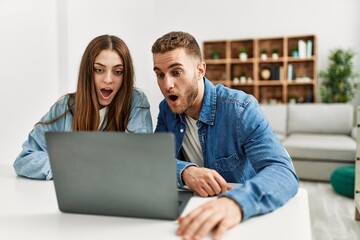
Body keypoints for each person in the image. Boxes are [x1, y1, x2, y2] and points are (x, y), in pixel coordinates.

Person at [151, 31, 298, 240]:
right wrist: (185, 172)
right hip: (193, 211)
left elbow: (283, 172)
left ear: (200, 70)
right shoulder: (166, 110)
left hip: (242, 218)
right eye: (160, 74)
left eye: (176, 72)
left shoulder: (241, 109)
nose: (167, 85)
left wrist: (235, 202)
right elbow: (156, 161)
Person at [14, 34, 153, 180]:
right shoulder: (65, 106)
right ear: (87, 72)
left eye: (118, 72)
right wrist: (72, 166)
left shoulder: (136, 101)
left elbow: (140, 162)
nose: (108, 80)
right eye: (99, 70)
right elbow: (25, 159)